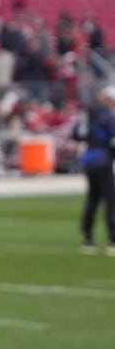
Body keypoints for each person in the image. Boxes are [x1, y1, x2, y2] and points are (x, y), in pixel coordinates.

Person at [70, 86, 115, 254]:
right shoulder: (108, 116)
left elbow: (76, 134)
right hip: (105, 162)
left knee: (92, 200)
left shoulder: (87, 115)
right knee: (110, 202)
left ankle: (87, 238)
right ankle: (112, 239)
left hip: (90, 161)